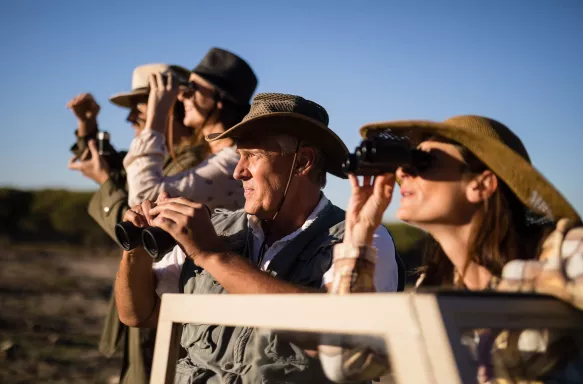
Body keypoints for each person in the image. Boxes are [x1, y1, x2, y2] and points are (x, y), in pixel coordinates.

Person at [114, 93, 404, 383]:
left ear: (302, 162)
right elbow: (138, 315)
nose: (238, 171)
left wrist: (212, 257)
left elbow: (338, 331)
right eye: (239, 156)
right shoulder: (216, 228)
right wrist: (135, 247)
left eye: (253, 156)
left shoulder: (360, 238)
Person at [318, 115, 582, 383]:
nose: (402, 173)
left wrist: (525, 282)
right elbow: (348, 364)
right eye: (405, 163)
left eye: (425, 162)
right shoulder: (434, 286)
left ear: (481, 184)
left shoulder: (563, 253)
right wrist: (358, 236)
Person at [66, 63, 212, 384]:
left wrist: (106, 182)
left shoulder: (195, 167)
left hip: (163, 316)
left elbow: (140, 224)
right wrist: (88, 130)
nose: (131, 119)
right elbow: (120, 173)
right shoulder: (169, 160)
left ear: (171, 107)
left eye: (140, 108)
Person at [123, 47, 258, 209]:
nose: (181, 96)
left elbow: (144, 196)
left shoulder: (232, 162)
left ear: (219, 99)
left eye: (192, 89)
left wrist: (157, 117)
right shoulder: (206, 152)